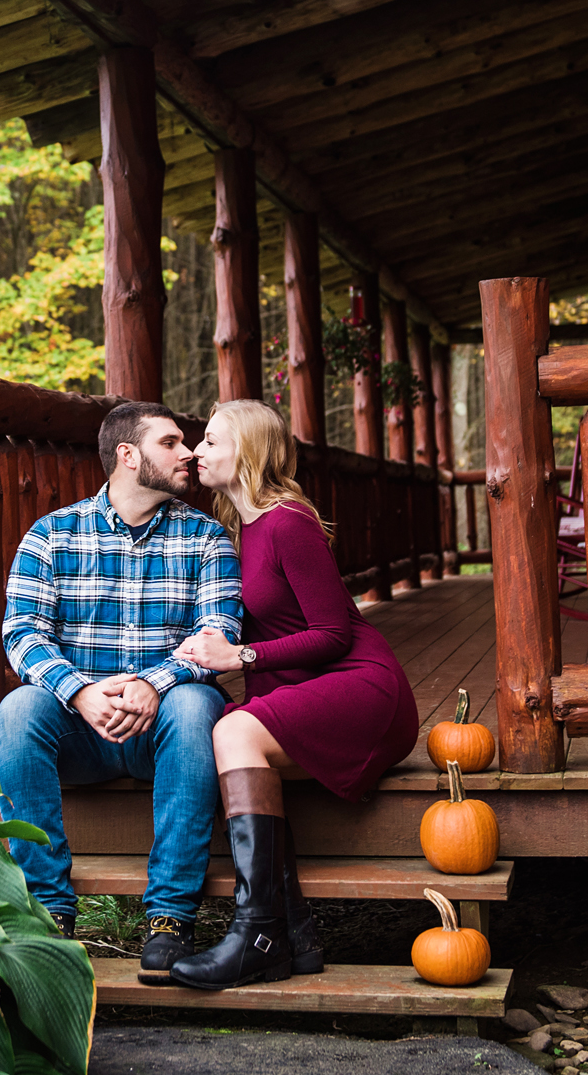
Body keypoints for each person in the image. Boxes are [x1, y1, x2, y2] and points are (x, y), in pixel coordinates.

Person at [166, 398, 419, 991]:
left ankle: (257, 933)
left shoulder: (287, 521)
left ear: (248, 450)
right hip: (320, 686)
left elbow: (332, 633)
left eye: (210, 441)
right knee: (229, 729)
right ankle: (294, 934)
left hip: (364, 686)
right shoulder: (240, 526)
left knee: (231, 730)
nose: (197, 451)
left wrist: (241, 656)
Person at [0, 400, 243, 981]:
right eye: (172, 443)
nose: (189, 455)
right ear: (127, 456)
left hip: (165, 732)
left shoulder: (207, 537)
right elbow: (22, 631)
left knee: (196, 702)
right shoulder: (52, 535)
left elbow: (219, 633)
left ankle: (169, 915)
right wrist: (80, 692)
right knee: (19, 708)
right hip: (79, 732)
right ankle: (48, 909)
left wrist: (155, 686)